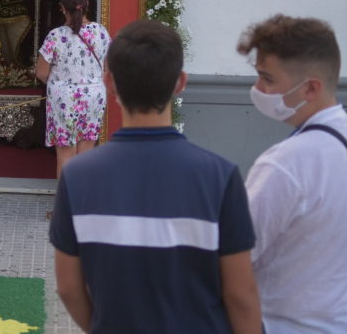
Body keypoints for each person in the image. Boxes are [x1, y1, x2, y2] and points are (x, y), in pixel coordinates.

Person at [51, 20, 261, 333]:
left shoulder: (77, 177)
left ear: (109, 82)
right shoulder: (220, 176)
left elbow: (68, 287)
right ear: (180, 83)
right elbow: (241, 294)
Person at [237, 14, 347, 333]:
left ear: (311, 88)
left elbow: (236, 256)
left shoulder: (287, 163)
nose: (258, 88)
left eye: (267, 79)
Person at [35, 0, 111, 178]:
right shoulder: (100, 32)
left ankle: (65, 206)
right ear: (86, 6)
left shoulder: (56, 36)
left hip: (63, 98)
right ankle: (84, 202)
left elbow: (41, 72)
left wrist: (60, 81)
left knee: (66, 155)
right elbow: (108, 66)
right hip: (94, 96)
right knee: (87, 152)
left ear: (62, 8)